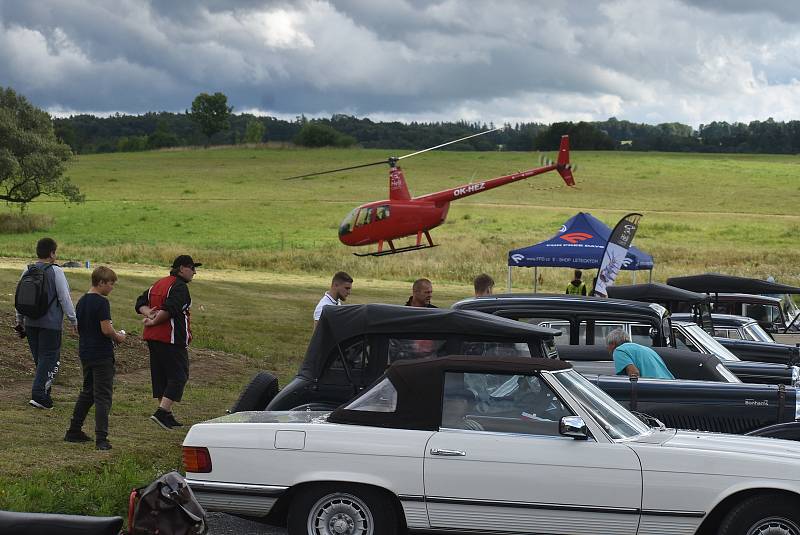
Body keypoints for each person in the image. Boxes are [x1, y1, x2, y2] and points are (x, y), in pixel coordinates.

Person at [65, 266, 126, 450]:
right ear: (101, 282)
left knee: (88, 392)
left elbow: (77, 328)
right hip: (101, 354)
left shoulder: (82, 301)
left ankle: (74, 430)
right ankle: (102, 438)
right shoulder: (101, 302)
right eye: (111, 284)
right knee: (103, 396)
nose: (112, 288)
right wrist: (119, 337)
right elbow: (106, 329)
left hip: (86, 352)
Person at [135, 255, 199, 430]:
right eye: (192, 268)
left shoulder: (159, 283)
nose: (194, 272)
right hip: (170, 338)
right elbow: (170, 309)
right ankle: (162, 412)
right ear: (181, 269)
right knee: (179, 376)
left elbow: (140, 302)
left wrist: (148, 313)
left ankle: (167, 415)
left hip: (152, 337)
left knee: (161, 375)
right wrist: (154, 320)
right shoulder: (179, 287)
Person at [14, 237, 77, 410]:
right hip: (50, 324)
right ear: (52, 253)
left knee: (40, 361)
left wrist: (20, 320)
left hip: (31, 322)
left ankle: (44, 393)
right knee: (49, 359)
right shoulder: (56, 271)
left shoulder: (27, 270)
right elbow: (64, 298)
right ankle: (39, 395)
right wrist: (73, 319)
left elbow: (20, 298)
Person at [606, 328, 674, 380]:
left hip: (655, 388)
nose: (607, 348)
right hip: (671, 384)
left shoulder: (619, 350)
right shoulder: (647, 349)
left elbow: (634, 374)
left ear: (612, 344)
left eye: (607, 345)